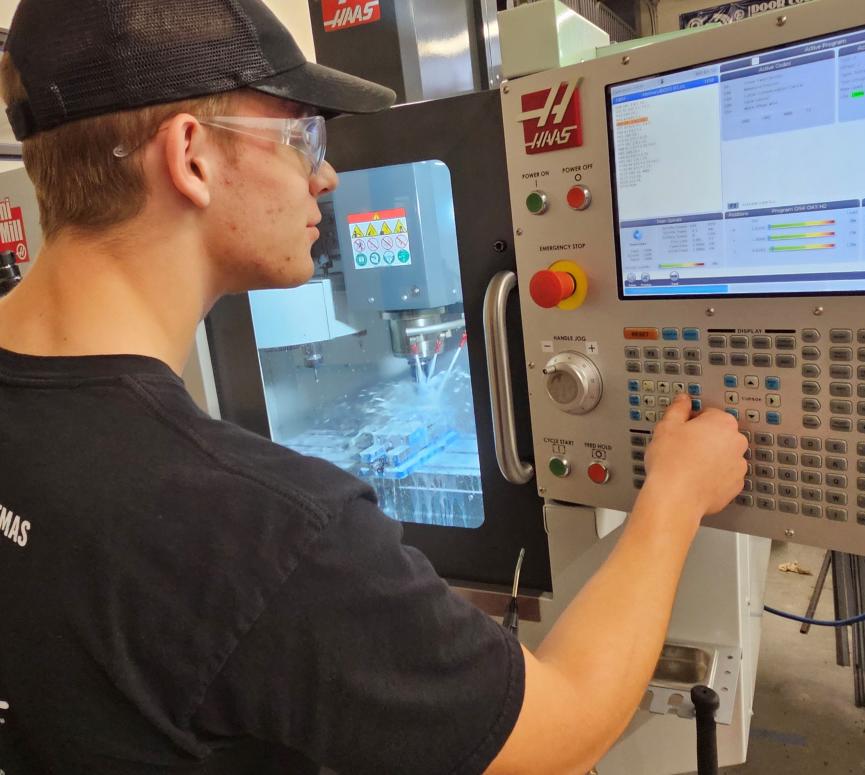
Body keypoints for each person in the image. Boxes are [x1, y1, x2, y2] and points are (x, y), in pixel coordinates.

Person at [0, 1, 748, 773]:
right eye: (302, 135)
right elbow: (562, 730)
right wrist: (674, 497)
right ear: (191, 156)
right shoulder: (265, 532)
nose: (324, 176)